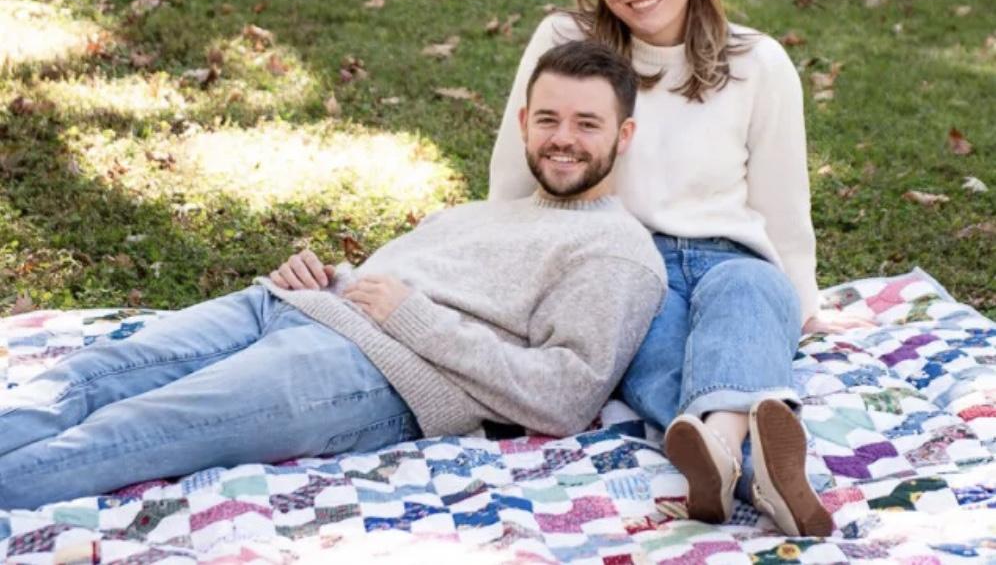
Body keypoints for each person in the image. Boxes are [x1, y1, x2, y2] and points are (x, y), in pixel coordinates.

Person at [0, 41, 665, 512]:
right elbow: (389, 282)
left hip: (370, 375)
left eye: (586, 124)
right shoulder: (487, 210)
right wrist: (327, 275)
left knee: (137, 429)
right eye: (548, 119)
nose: (562, 138)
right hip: (294, 307)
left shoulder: (616, 252)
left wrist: (413, 318)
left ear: (623, 135)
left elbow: (567, 395)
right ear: (524, 122)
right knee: (90, 374)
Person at [490, 0, 871, 537]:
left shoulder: (758, 63)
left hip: (735, 258)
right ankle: (765, 475)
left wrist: (804, 303)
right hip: (625, 261)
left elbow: (783, 200)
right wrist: (504, 287)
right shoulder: (566, 42)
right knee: (660, 352)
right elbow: (514, 169)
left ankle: (718, 450)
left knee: (750, 296)